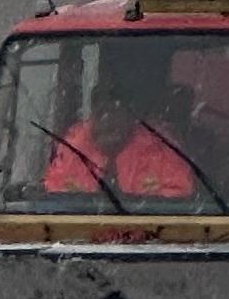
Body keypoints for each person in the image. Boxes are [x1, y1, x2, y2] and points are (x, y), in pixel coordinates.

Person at [45, 46, 202, 202]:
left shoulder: (161, 150)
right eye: (99, 106)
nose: (105, 117)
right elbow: (54, 193)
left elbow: (178, 201)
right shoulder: (73, 150)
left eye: (114, 106)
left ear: (131, 113)